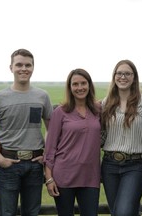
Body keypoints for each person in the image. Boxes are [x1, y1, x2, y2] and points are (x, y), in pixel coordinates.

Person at [0, 48, 53, 216]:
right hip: (8, 164)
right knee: (7, 213)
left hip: (35, 165)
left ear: (33, 68)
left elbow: (51, 130)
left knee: (32, 213)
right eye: (19, 64)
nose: (24, 68)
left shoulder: (42, 96)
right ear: (11, 67)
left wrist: (46, 155)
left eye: (28, 65)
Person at [44, 68, 101, 216]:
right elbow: (50, 148)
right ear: (70, 87)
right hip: (64, 175)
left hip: (90, 176)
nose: (80, 87)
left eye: (83, 83)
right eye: (75, 84)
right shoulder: (60, 112)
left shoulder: (98, 110)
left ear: (89, 85)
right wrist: (49, 178)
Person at [101, 60, 142, 216]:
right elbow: (102, 135)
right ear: (114, 76)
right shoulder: (106, 103)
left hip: (136, 165)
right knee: (118, 212)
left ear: (134, 78)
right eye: (119, 73)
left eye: (127, 73)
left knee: (123, 212)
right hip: (109, 165)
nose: (123, 77)